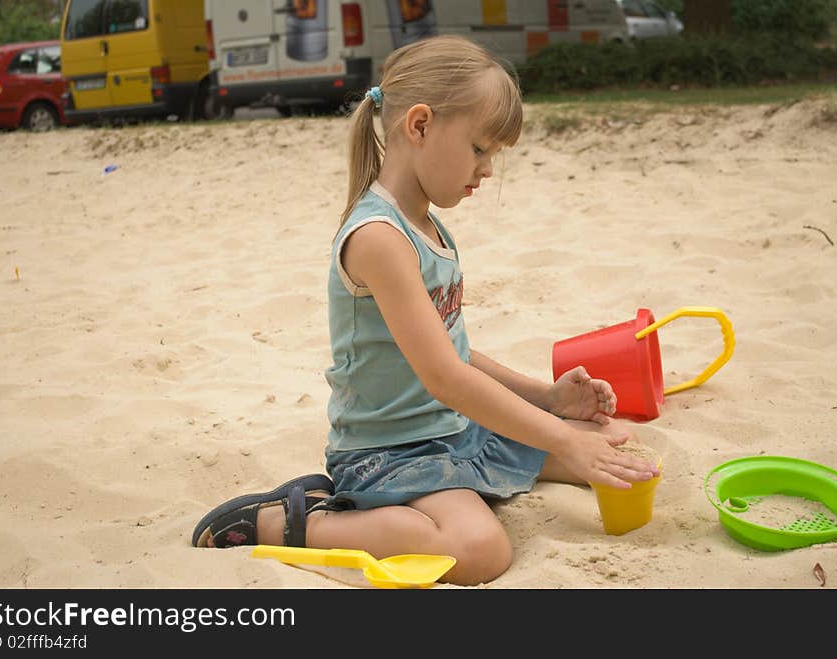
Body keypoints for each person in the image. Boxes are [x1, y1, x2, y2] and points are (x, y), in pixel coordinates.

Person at [191, 34, 660, 586]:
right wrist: (558, 436)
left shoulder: (429, 225)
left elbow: (454, 349)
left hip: (454, 433)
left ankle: (492, 466)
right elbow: (445, 377)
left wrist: (548, 398)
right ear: (419, 125)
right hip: (390, 451)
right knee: (481, 550)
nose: (487, 170)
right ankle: (289, 519)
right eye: (480, 148)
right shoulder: (379, 238)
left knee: (610, 446)